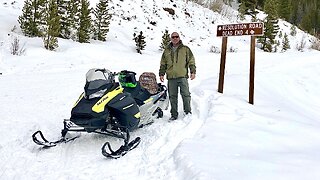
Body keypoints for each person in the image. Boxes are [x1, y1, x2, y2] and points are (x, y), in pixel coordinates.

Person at [159, 32, 196, 120]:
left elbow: (191, 61)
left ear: (179, 38)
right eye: (173, 37)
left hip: (182, 76)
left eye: (177, 37)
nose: (175, 38)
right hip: (171, 77)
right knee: (172, 96)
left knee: (186, 95)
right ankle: (174, 114)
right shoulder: (166, 50)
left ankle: (187, 112)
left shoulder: (185, 49)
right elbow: (163, 64)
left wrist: (193, 71)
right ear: (170, 38)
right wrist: (161, 74)